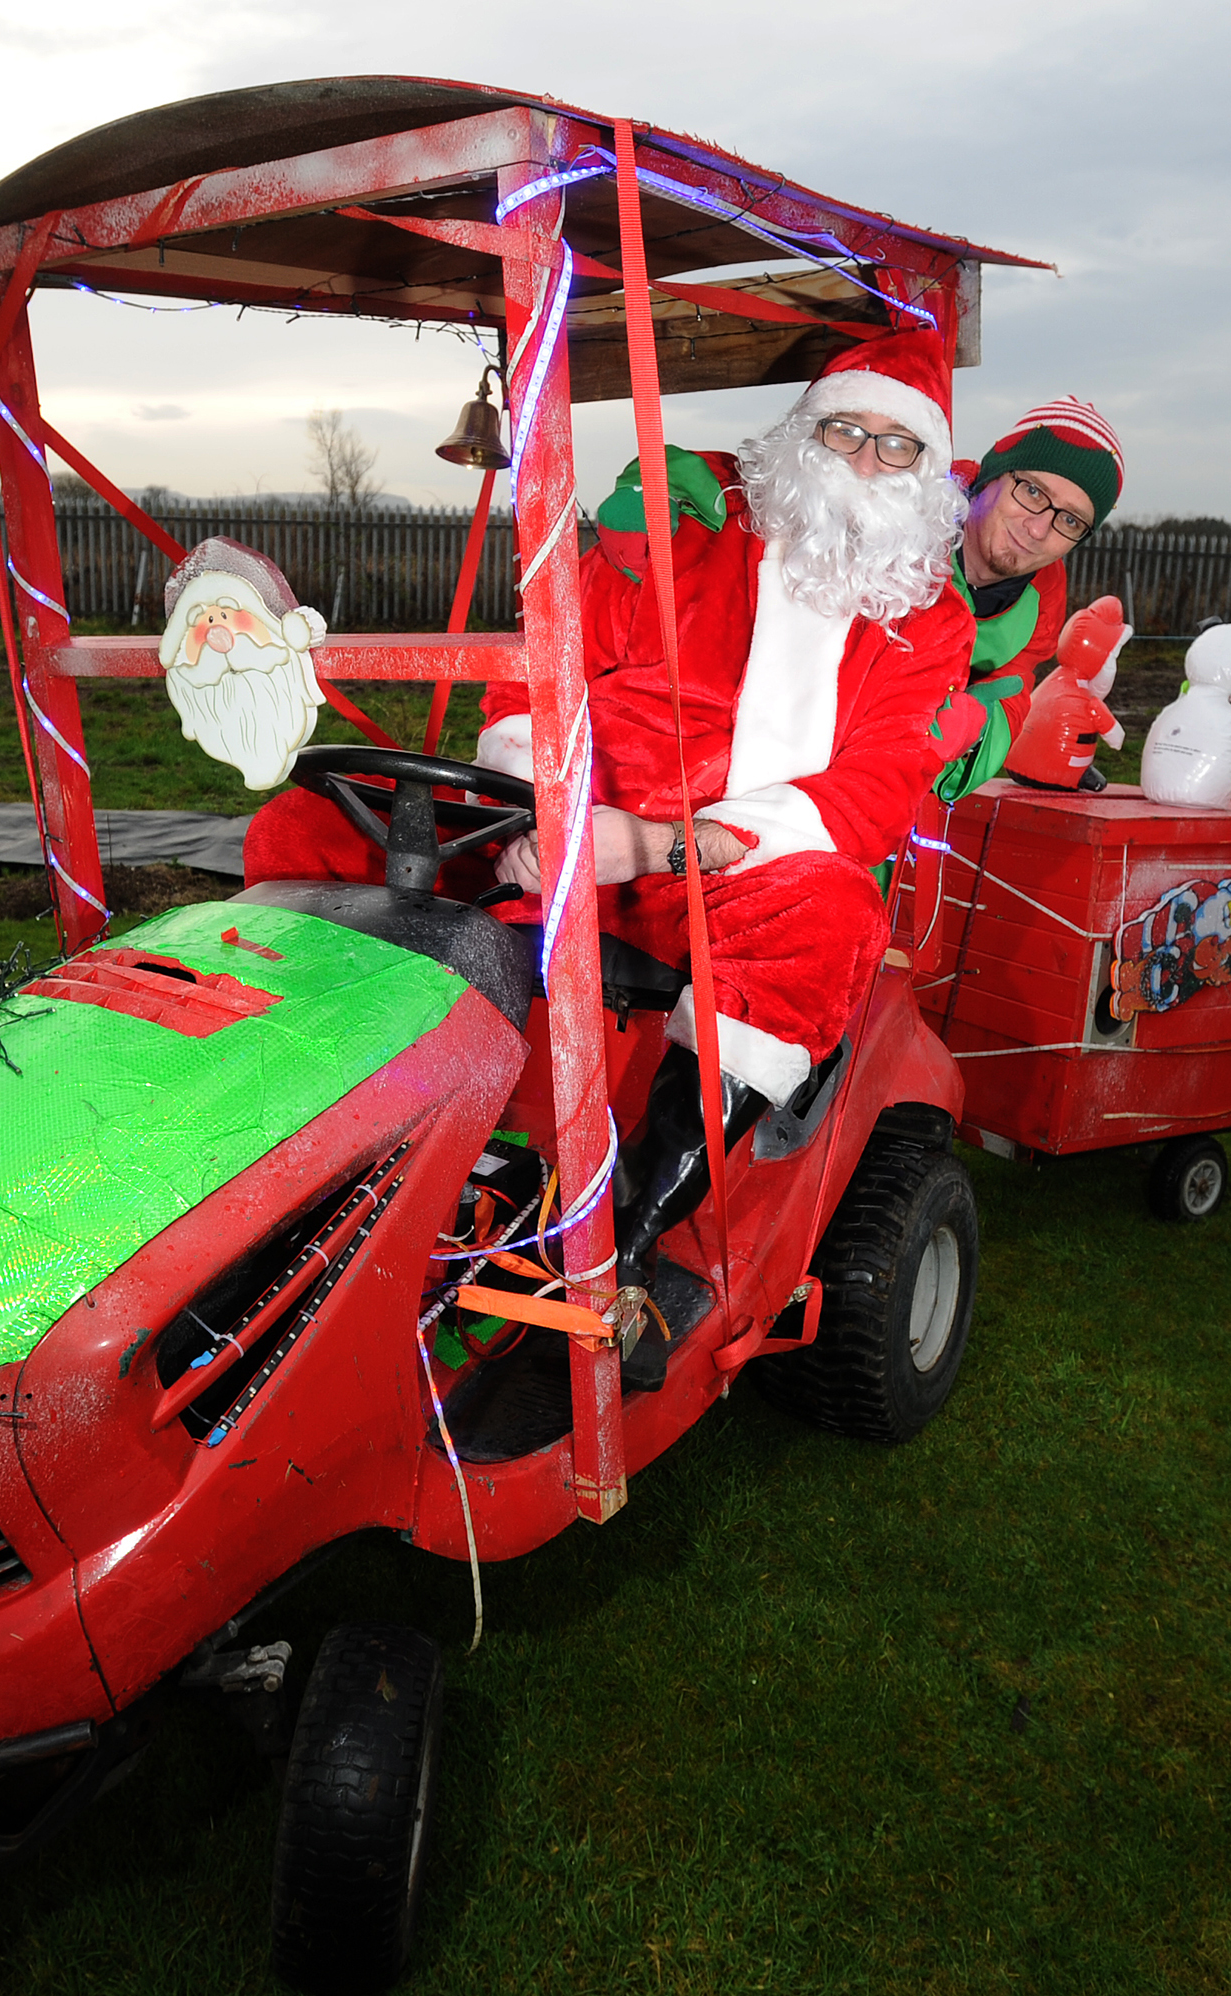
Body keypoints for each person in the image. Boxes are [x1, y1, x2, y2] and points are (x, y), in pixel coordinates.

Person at [239, 328, 976, 1311]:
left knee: (831, 917)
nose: (863, 461)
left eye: (898, 445)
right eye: (846, 429)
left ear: (929, 469)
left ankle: (617, 1232)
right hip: (567, 816)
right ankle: (283, 1119)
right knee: (312, 825)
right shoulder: (682, 528)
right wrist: (540, 803)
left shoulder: (931, 620)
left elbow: (872, 796)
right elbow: (547, 671)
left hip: (725, 875)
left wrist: (653, 844)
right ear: (806, 428)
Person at [934, 397, 1126, 797]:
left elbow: (1011, 700)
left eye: (1070, 520)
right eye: (1034, 492)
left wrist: (969, 736)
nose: (1039, 529)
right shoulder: (904, 529)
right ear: (992, 476)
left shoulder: (1041, 604)